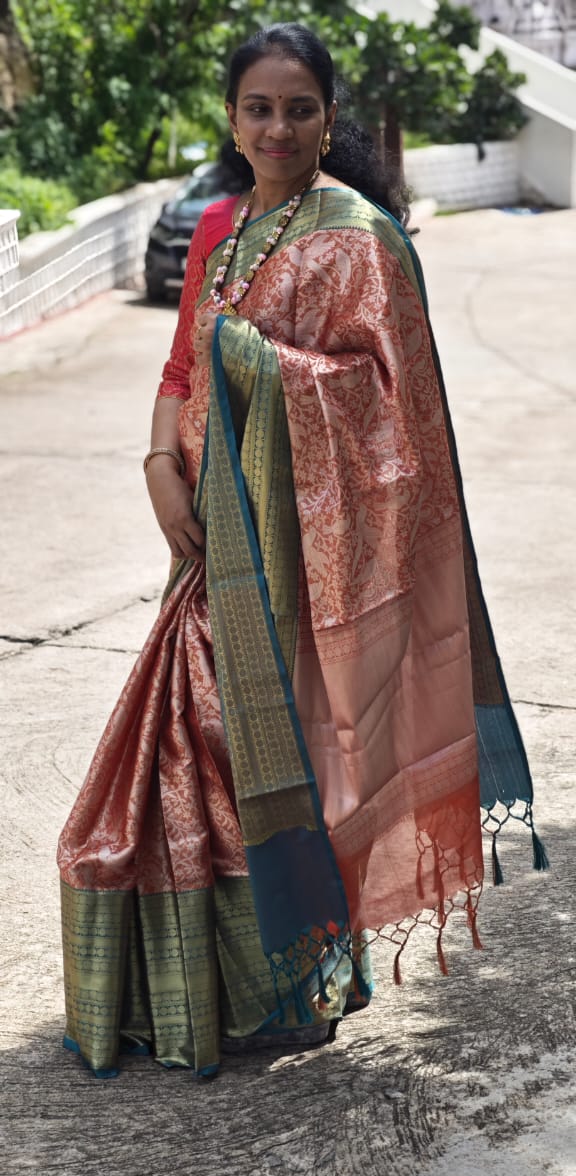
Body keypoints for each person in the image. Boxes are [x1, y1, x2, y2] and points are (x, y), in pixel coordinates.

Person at [57, 23, 545, 1081]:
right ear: (231, 120)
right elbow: (184, 359)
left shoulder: (361, 239)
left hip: (309, 554)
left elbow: (393, 412)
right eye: (258, 108)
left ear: (330, 120)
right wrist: (158, 464)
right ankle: (222, 991)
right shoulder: (222, 233)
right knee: (178, 759)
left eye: (300, 108)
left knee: (280, 751)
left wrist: (262, 362)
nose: (278, 126)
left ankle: (296, 982)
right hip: (211, 541)